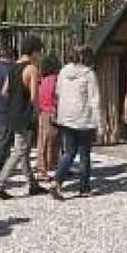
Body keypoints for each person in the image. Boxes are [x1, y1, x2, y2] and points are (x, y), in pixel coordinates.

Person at [0, 36, 48, 200]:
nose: (40, 56)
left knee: (23, 150)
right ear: (34, 52)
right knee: (19, 151)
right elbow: (34, 97)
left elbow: (4, 91)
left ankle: (32, 184)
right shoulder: (32, 69)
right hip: (25, 114)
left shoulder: (12, 68)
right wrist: (37, 115)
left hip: (12, 113)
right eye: (40, 52)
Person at [50, 46, 100, 200]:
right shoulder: (89, 74)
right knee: (84, 154)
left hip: (66, 117)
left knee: (69, 152)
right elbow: (94, 100)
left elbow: (57, 92)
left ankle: (57, 181)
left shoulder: (63, 72)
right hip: (84, 119)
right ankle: (84, 187)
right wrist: (100, 123)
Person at [34, 53, 61, 181]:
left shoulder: (42, 80)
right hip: (52, 112)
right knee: (52, 141)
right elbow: (57, 96)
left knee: (42, 141)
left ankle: (43, 167)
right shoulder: (56, 79)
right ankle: (45, 168)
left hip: (42, 112)